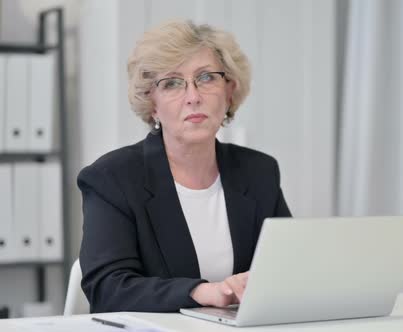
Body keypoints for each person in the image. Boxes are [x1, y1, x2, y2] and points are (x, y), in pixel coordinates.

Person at [77, 20, 291, 313]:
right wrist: (203, 292)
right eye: (172, 83)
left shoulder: (259, 172)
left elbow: (291, 270)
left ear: (229, 91)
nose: (193, 97)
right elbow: (107, 289)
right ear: (152, 103)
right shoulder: (112, 178)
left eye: (206, 78)